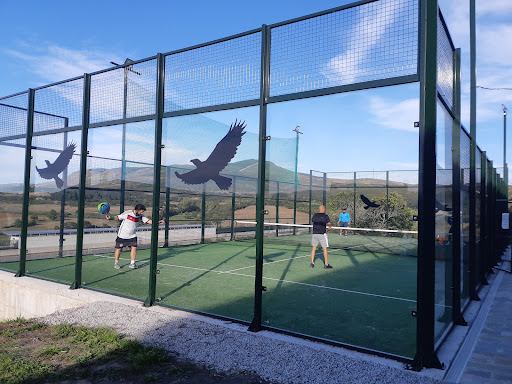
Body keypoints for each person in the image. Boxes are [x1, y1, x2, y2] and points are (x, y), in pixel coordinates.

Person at [106, 204, 164, 269]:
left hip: (132, 235)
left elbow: (148, 221)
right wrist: (110, 218)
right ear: (137, 210)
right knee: (118, 249)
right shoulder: (128, 213)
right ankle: (116, 263)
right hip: (122, 235)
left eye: (142, 212)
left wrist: (157, 222)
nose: (141, 213)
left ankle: (132, 263)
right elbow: (118, 217)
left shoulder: (141, 216)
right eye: (141, 212)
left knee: (134, 248)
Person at [310, 205, 333, 269]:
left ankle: (312, 263)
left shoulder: (314, 216)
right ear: (323, 209)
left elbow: (313, 222)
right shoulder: (326, 216)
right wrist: (328, 229)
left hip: (314, 234)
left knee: (313, 248)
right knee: (325, 249)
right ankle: (326, 264)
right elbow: (329, 224)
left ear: (319, 209)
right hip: (322, 234)